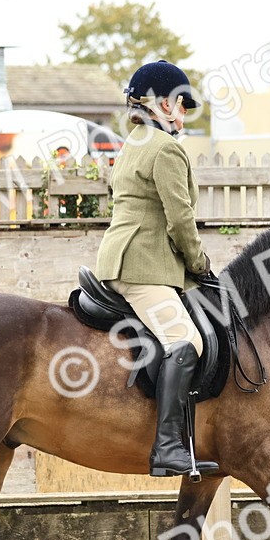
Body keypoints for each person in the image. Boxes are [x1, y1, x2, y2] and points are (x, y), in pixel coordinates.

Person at [95, 60, 220, 477]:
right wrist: (200, 264)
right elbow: (180, 220)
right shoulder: (165, 148)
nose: (183, 116)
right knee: (186, 341)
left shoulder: (135, 141)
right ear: (163, 104)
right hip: (142, 266)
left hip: (125, 258)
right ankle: (167, 447)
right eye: (181, 106)